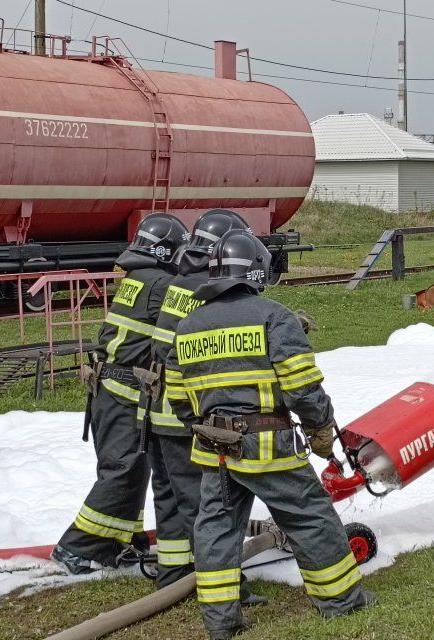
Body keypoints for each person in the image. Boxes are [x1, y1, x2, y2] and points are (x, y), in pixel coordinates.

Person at [165, 229, 376, 640]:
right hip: (268, 447)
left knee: (215, 529)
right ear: (256, 271)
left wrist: (210, 425)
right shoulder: (274, 317)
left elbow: (178, 398)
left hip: (214, 449)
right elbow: (303, 389)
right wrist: (320, 428)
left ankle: (222, 622)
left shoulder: (187, 326)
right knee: (310, 518)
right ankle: (342, 601)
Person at [51, 213, 189, 575]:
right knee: (124, 470)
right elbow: (192, 315)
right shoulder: (160, 283)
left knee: (131, 467)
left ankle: (117, 541)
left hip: (112, 388)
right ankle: (76, 547)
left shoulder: (139, 277)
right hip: (122, 390)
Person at [140, 209, 255, 589]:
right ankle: (221, 584)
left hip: (157, 408)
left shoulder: (181, 281)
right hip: (183, 413)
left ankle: (174, 573)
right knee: (205, 506)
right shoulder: (206, 287)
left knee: (171, 498)